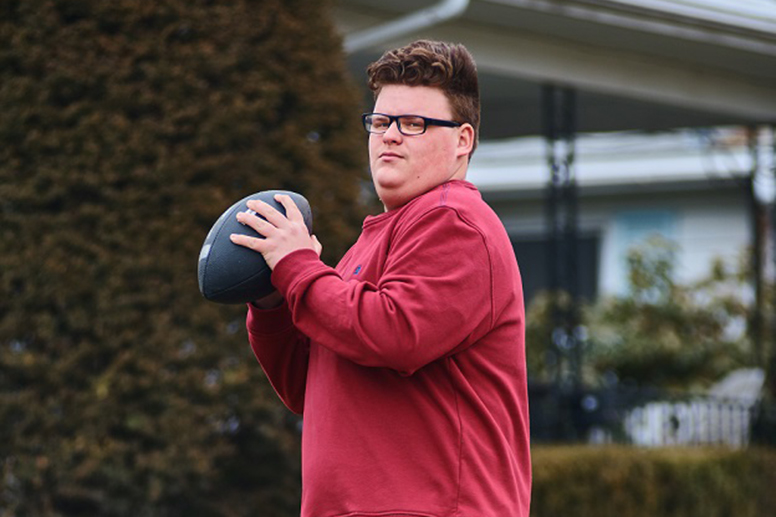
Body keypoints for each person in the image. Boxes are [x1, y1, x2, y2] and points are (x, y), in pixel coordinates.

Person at [230, 39, 531, 517]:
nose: (390, 135)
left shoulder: (455, 222)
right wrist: (273, 302)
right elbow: (308, 385)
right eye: (381, 121)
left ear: (462, 140)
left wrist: (298, 269)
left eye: (414, 124)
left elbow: (394, 334)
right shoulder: (372, 242)